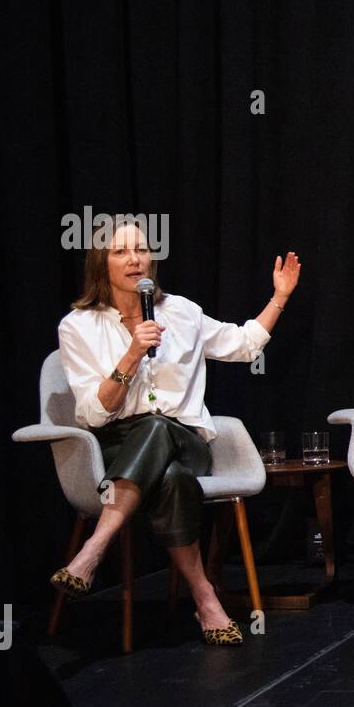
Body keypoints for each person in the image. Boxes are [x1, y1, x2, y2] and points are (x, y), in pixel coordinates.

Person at [53, 218, 301, 645]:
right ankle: (205, 598)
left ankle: (94, 549)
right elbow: (93, 414)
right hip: (117, 445)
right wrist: (132, 354)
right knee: (170, 479)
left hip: (186, 441)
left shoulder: (182, 311)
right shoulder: (77, 327)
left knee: (160, 431)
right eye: (120, 251)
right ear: (100, 264)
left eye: (142, 249)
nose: (135, 259)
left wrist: (279, 297)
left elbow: (242, 345)